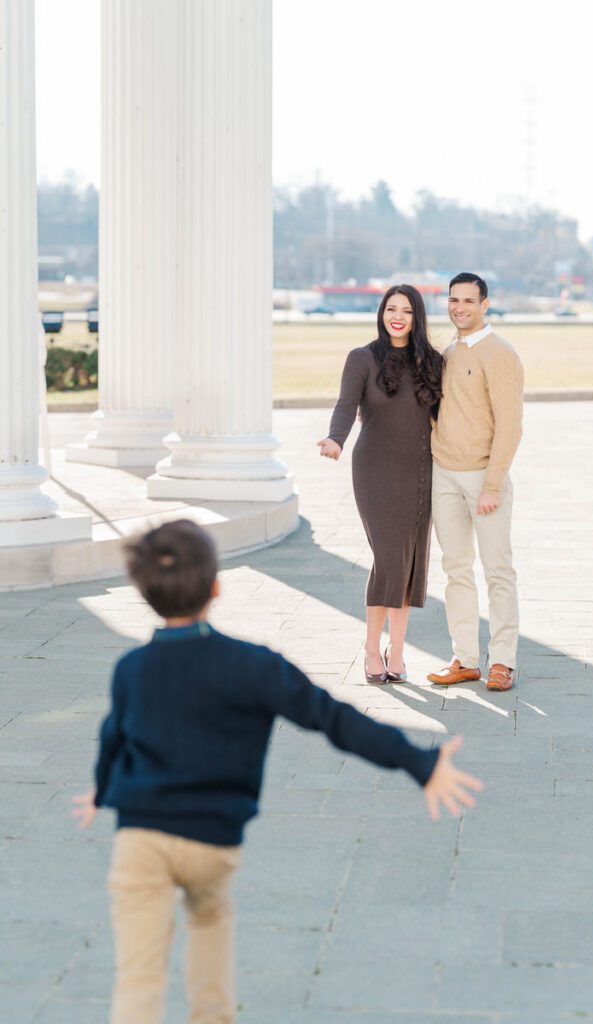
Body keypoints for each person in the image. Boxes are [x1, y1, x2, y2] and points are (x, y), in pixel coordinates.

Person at [72, 519, 483, 1024]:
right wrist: (419, 762)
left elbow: (114, 737)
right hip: (212, 842)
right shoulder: (254, 665)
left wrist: (101, 792)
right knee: (210, 942)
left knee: (138, 979)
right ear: (216, 587)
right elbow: (333, 719)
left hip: (141, 838)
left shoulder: (131, 669)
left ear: (145, 593)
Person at [317, 285, 443, 682]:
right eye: (391, 308)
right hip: (375, 470)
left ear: (417, 316)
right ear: (381, 312)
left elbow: (447, 416)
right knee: (389, 561)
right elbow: (345, 405)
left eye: (406, 310)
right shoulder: (361, 359)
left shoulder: (434, 362)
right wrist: (336, 438)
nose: (398, 316)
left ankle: (397, 652)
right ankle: (372, 648)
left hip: (421, 472)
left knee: (408, 567)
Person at [427, 273, 524, 692]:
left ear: (485, 304)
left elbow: (510, 426)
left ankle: (502, 661)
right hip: (443, 475)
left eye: (469, 300)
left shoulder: (501, 354)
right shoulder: (446, 352)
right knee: (456, 570)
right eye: (453, 300)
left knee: (498, 570)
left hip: (485, 479)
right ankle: (465, 659)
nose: (460, 307)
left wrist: (493, 484)